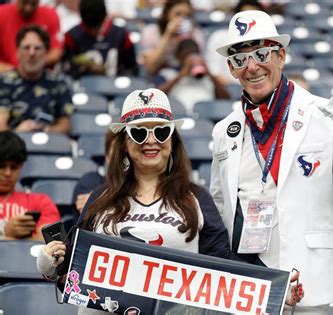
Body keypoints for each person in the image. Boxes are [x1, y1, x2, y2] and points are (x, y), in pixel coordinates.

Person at [37, 88, 304, 313]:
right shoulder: (101, 197)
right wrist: (49, 262)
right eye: (139, 133)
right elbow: (72, 269)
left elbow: (224, 266)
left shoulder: (196, 198)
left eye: (161, 132)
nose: (151, 141)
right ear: (125, 144)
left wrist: (274, 290)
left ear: (172, 142)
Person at [211, 10, 333, 314]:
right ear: (231, 68)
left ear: (281, 56)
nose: (252, 67)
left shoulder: (324, 113)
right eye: (240, 59)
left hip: (309, 282)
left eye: (261, 54)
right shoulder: (225, 130)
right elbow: (222, 206)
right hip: (249, 285)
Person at [0, 25, 74, 134]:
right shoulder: (4, 82)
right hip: (12, 146)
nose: (32, 53)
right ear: (17, 52)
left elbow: (66, 126)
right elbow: (1, 127)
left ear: (46, 53)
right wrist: (18, 133)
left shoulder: (59, 82)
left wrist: (43, 130)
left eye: (37, 48)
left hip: (49, 144)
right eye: (26, 48)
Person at [0, 130, 61, 240]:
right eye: (1, 166)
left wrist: (8, 238)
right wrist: (4, 233)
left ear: (21, 166)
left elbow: (52, 244)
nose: (7, 173)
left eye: (14, 167)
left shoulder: (41, 202)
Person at [63, 0, 138, 79]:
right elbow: (67, 70)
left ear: (105, 17)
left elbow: (132, 68)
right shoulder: (71, 37)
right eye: (89, 27)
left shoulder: (122, 35)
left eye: (97, 27)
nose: (93, 32)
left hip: (116, 86)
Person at [156, 38, 230, 113]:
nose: (190, 58)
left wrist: (209, 73)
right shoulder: (168, 73)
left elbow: (226, 99)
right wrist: (180, 75)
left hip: (205, 119)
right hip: (178, 117)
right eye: (186, 55)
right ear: (178, 56)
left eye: (194, 54)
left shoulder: (208, 78)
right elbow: (156, 97)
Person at [140, 0, 205, 76]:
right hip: (158, 80)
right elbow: (150, 68)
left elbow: (197, 67)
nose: (182, 19)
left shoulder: (196, 34)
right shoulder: (151, 31)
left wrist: (188, 40)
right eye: (178, 14)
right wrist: (167, 35)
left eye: (187, 15)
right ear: (167, 14)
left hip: (186, 78)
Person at [0, 0, 63, 72]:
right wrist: (16, 70)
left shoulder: (50, 14)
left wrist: (34, 64)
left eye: (33, 4)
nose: (28, 8)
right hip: (5, 73)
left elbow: (56, 51)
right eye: (24, 3)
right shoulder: (1, 14)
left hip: (40, 75)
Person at [72, 130, 114, 215]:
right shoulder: (91, 181)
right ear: (107, 157)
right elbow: (89, 217)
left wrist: (101, 202)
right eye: (117, 153)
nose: (123, 157)